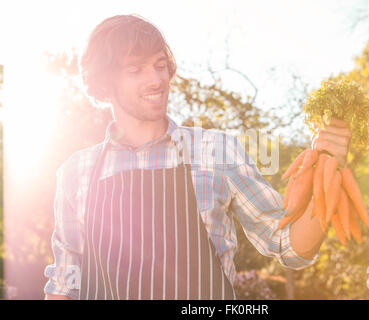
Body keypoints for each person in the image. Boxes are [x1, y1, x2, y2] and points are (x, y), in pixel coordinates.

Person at [44, 14, 351, 300]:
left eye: (160, 65)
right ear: (105, 82)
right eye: (135, 69)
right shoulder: (76, 172)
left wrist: (327, 171)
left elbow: (287, 244)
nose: (155, 79)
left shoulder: (216, 152)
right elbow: (64, 283)